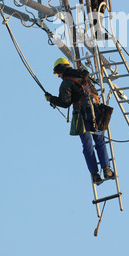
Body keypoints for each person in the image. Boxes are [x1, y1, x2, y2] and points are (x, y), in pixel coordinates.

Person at [44, 57, 115, 185]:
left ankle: (95, 175)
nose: (58, 76)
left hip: (82, 117)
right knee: (100, 141)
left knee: (87, 145)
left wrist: (51, 99)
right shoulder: (84, 75)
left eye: (58, 73)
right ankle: (107, 170)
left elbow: (65, 102)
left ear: (61, 69)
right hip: (96, 112)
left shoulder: (66, 83)